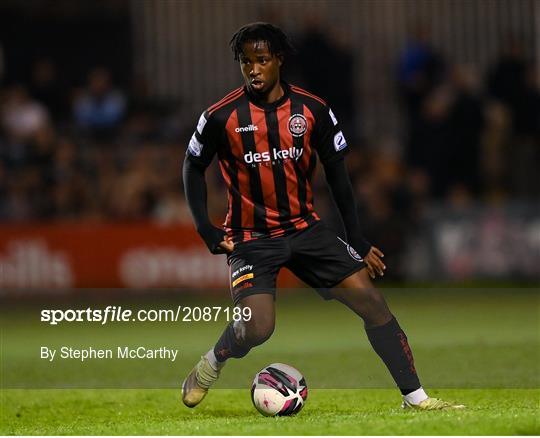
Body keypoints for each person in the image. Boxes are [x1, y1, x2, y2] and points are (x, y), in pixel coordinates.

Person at [182, 22, 464, 411]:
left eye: (262, 60)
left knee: (372, 303)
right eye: (246, 62)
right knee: (258, 329)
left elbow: (338, 176)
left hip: (305, 229)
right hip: (252, 238)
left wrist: (357, 239)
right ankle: (213, 362)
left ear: (279, 60)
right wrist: (206, 229)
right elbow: (192, 167)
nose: (253, 69)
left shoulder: (312, 109)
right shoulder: (220, 116)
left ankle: (415, 398)